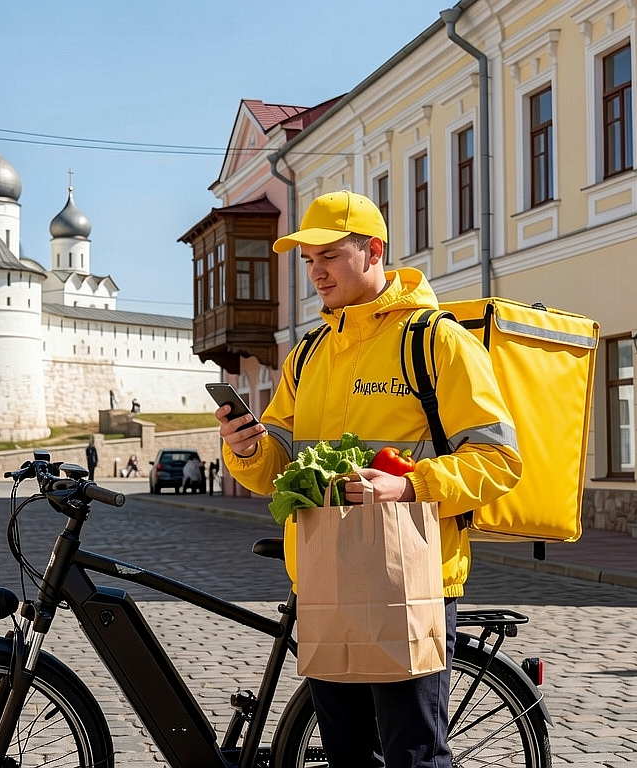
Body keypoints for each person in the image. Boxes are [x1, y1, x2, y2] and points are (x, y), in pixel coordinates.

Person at [215, 190, 521, 768]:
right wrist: (248, 449)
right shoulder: (308, 355)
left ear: (374, 250)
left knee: (413, 756)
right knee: (346, 756)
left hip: (410, 580)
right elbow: (277, 461)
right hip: (323, 577)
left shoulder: (436, 341)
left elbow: (499, 461)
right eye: (307, 261)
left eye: (328, 255)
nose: (315, 272)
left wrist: (407, 487)